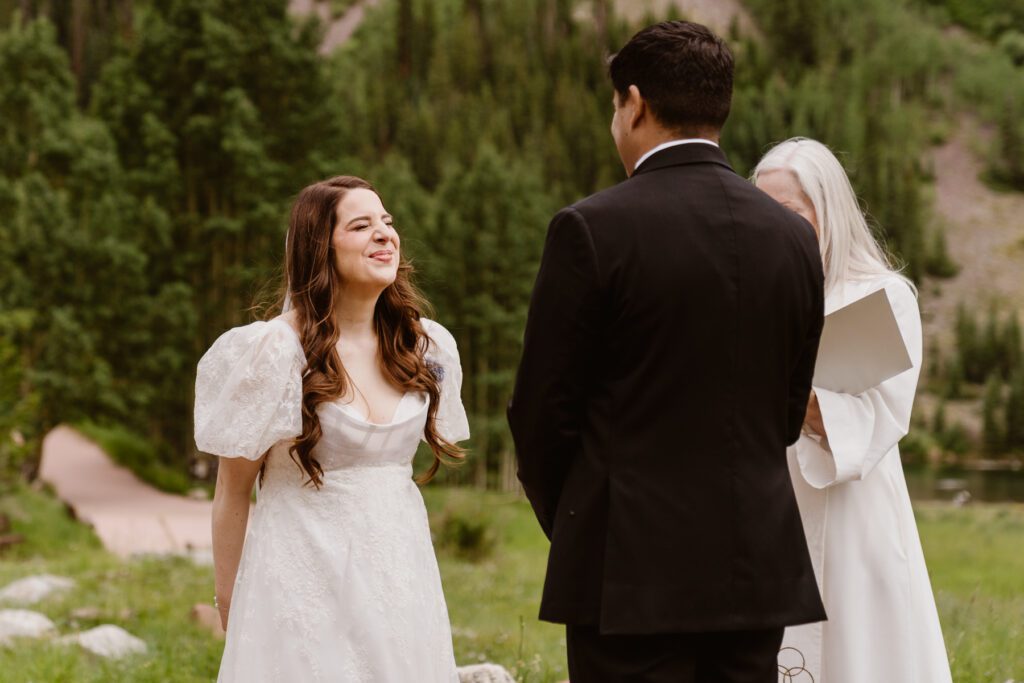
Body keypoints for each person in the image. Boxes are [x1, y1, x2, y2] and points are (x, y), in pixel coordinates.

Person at [508, 21, 827, 683]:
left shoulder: (591, 229)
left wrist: (580, 519)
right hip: (753, 567)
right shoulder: (791, 238)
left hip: (626, 574)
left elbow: (542, 411)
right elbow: (786, 406)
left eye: (613, 107)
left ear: (634, 103)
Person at [194, 176, 470, 682]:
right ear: (320, 248)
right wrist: (232, 606)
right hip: (301, 582)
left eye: (387, 222)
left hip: (400, 577)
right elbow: (231, 492)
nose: (385, 234)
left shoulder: (425, 345)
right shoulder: (275, 352)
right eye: (362, 225)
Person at [754, 138, 953, 683]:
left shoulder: (883, 296)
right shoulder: (748, 298)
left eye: (789, 212)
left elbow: (884, 417)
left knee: (856, 654)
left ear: (828, 211)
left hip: (853, 515)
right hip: (769, 507)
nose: (774, 227)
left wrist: (786, 389)